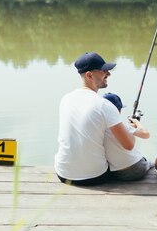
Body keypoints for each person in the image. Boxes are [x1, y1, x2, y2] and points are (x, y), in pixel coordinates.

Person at [54, 52, 139, 186]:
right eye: (104, 71)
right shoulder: (104, 105)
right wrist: (132, 130)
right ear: (89, 75)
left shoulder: (65, 99)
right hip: (94, 177)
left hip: (63, 173)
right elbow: (129, 145)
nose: (109, 74)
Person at [102, 93, 152, 181]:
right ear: (118, 110)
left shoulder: (98, 127)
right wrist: (136, 122)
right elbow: (146, 134)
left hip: (116, 173)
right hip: (136, 170)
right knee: (149, 162)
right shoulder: (123, 126)